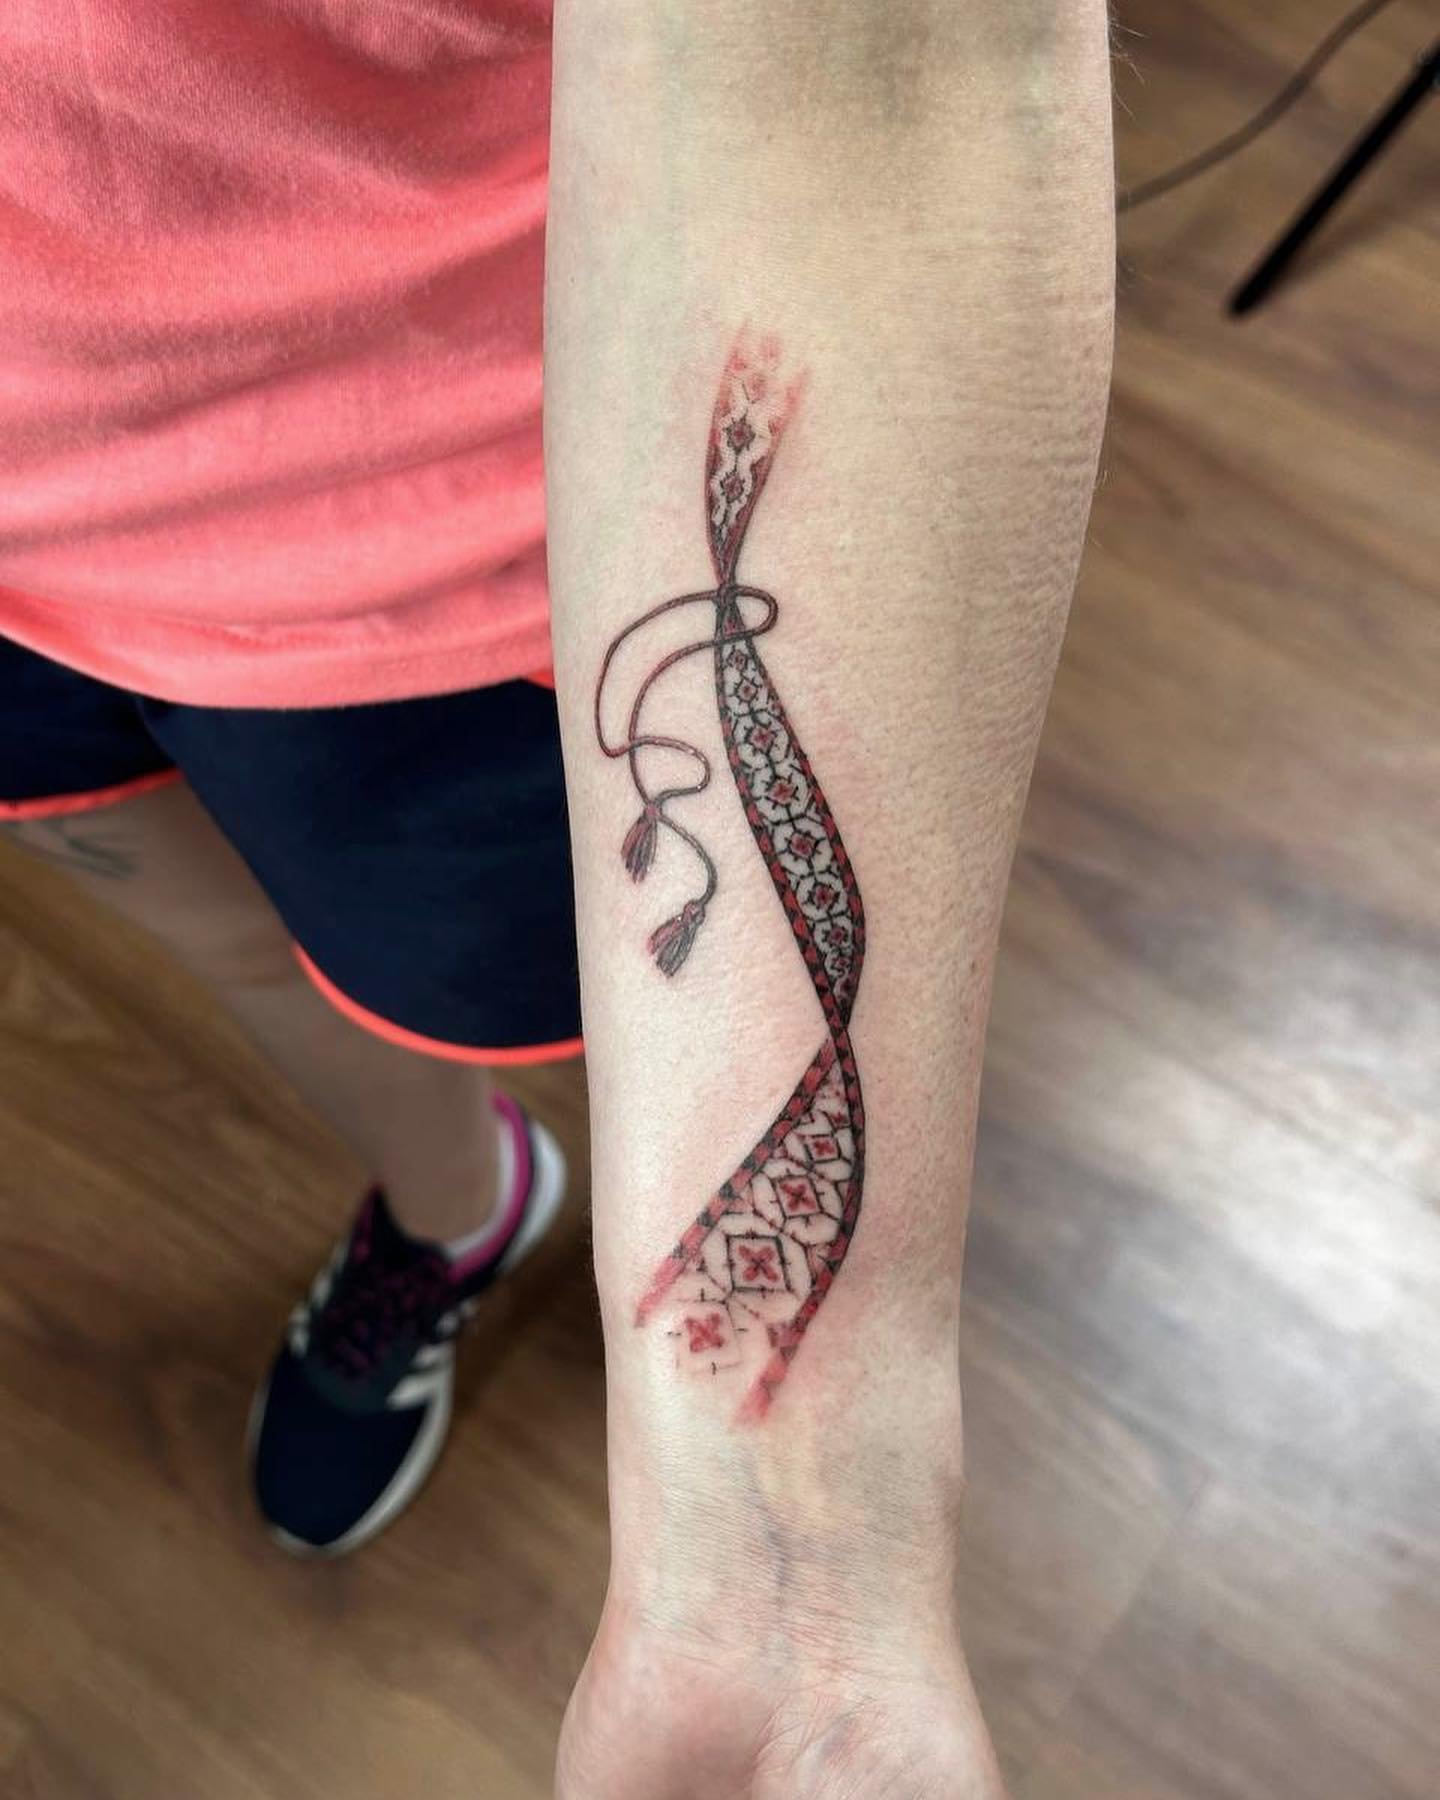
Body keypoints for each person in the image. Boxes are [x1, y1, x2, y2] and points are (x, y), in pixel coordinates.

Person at [0, 2, 1114, 1795]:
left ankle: (466, 1205)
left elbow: (872, 65)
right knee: (215, 932)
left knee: (397, 960)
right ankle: (458, 1205)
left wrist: (779, 1534)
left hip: (403, 561)